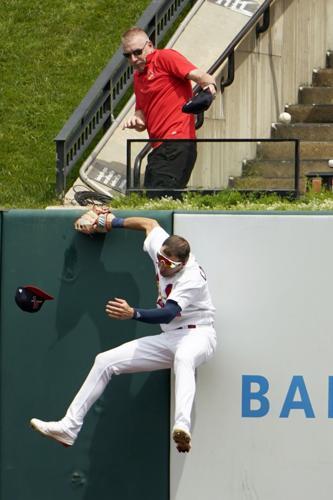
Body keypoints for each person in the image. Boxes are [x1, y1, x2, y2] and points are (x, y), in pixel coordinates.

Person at [30, 213, 217, 453]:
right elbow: (150, 224)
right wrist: (109, 222)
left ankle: (181, 426)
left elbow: (169, 313)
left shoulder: (191, 277)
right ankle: (69, 427)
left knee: (184, 357)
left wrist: (133, 313)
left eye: (169, 263)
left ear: (183, 262)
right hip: (170, 337)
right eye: (160, 258)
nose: (162, 265)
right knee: (104, 361)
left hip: (198, 336)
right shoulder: (161, 249)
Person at [122, 27, 217, 192]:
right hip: (159, 146)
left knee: (158, 200)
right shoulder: (138, 76)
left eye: (137, 52)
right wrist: (136, 120)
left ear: (149, 45)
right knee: (154, 202)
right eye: (127, 55)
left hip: (177, 143)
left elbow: (203, 77)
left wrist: (209, 90)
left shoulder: (165, 57)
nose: (133, 59)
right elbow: (142, 116)